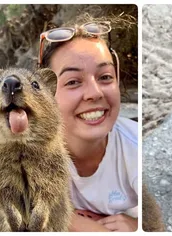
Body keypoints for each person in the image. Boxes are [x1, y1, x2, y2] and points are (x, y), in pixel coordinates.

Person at [38, 17, 138, 232]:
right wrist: (77, 223)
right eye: (73, 81)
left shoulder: (135, 148)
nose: (95, 93)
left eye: (105, 77)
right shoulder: (32, 147)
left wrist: (138, 226)